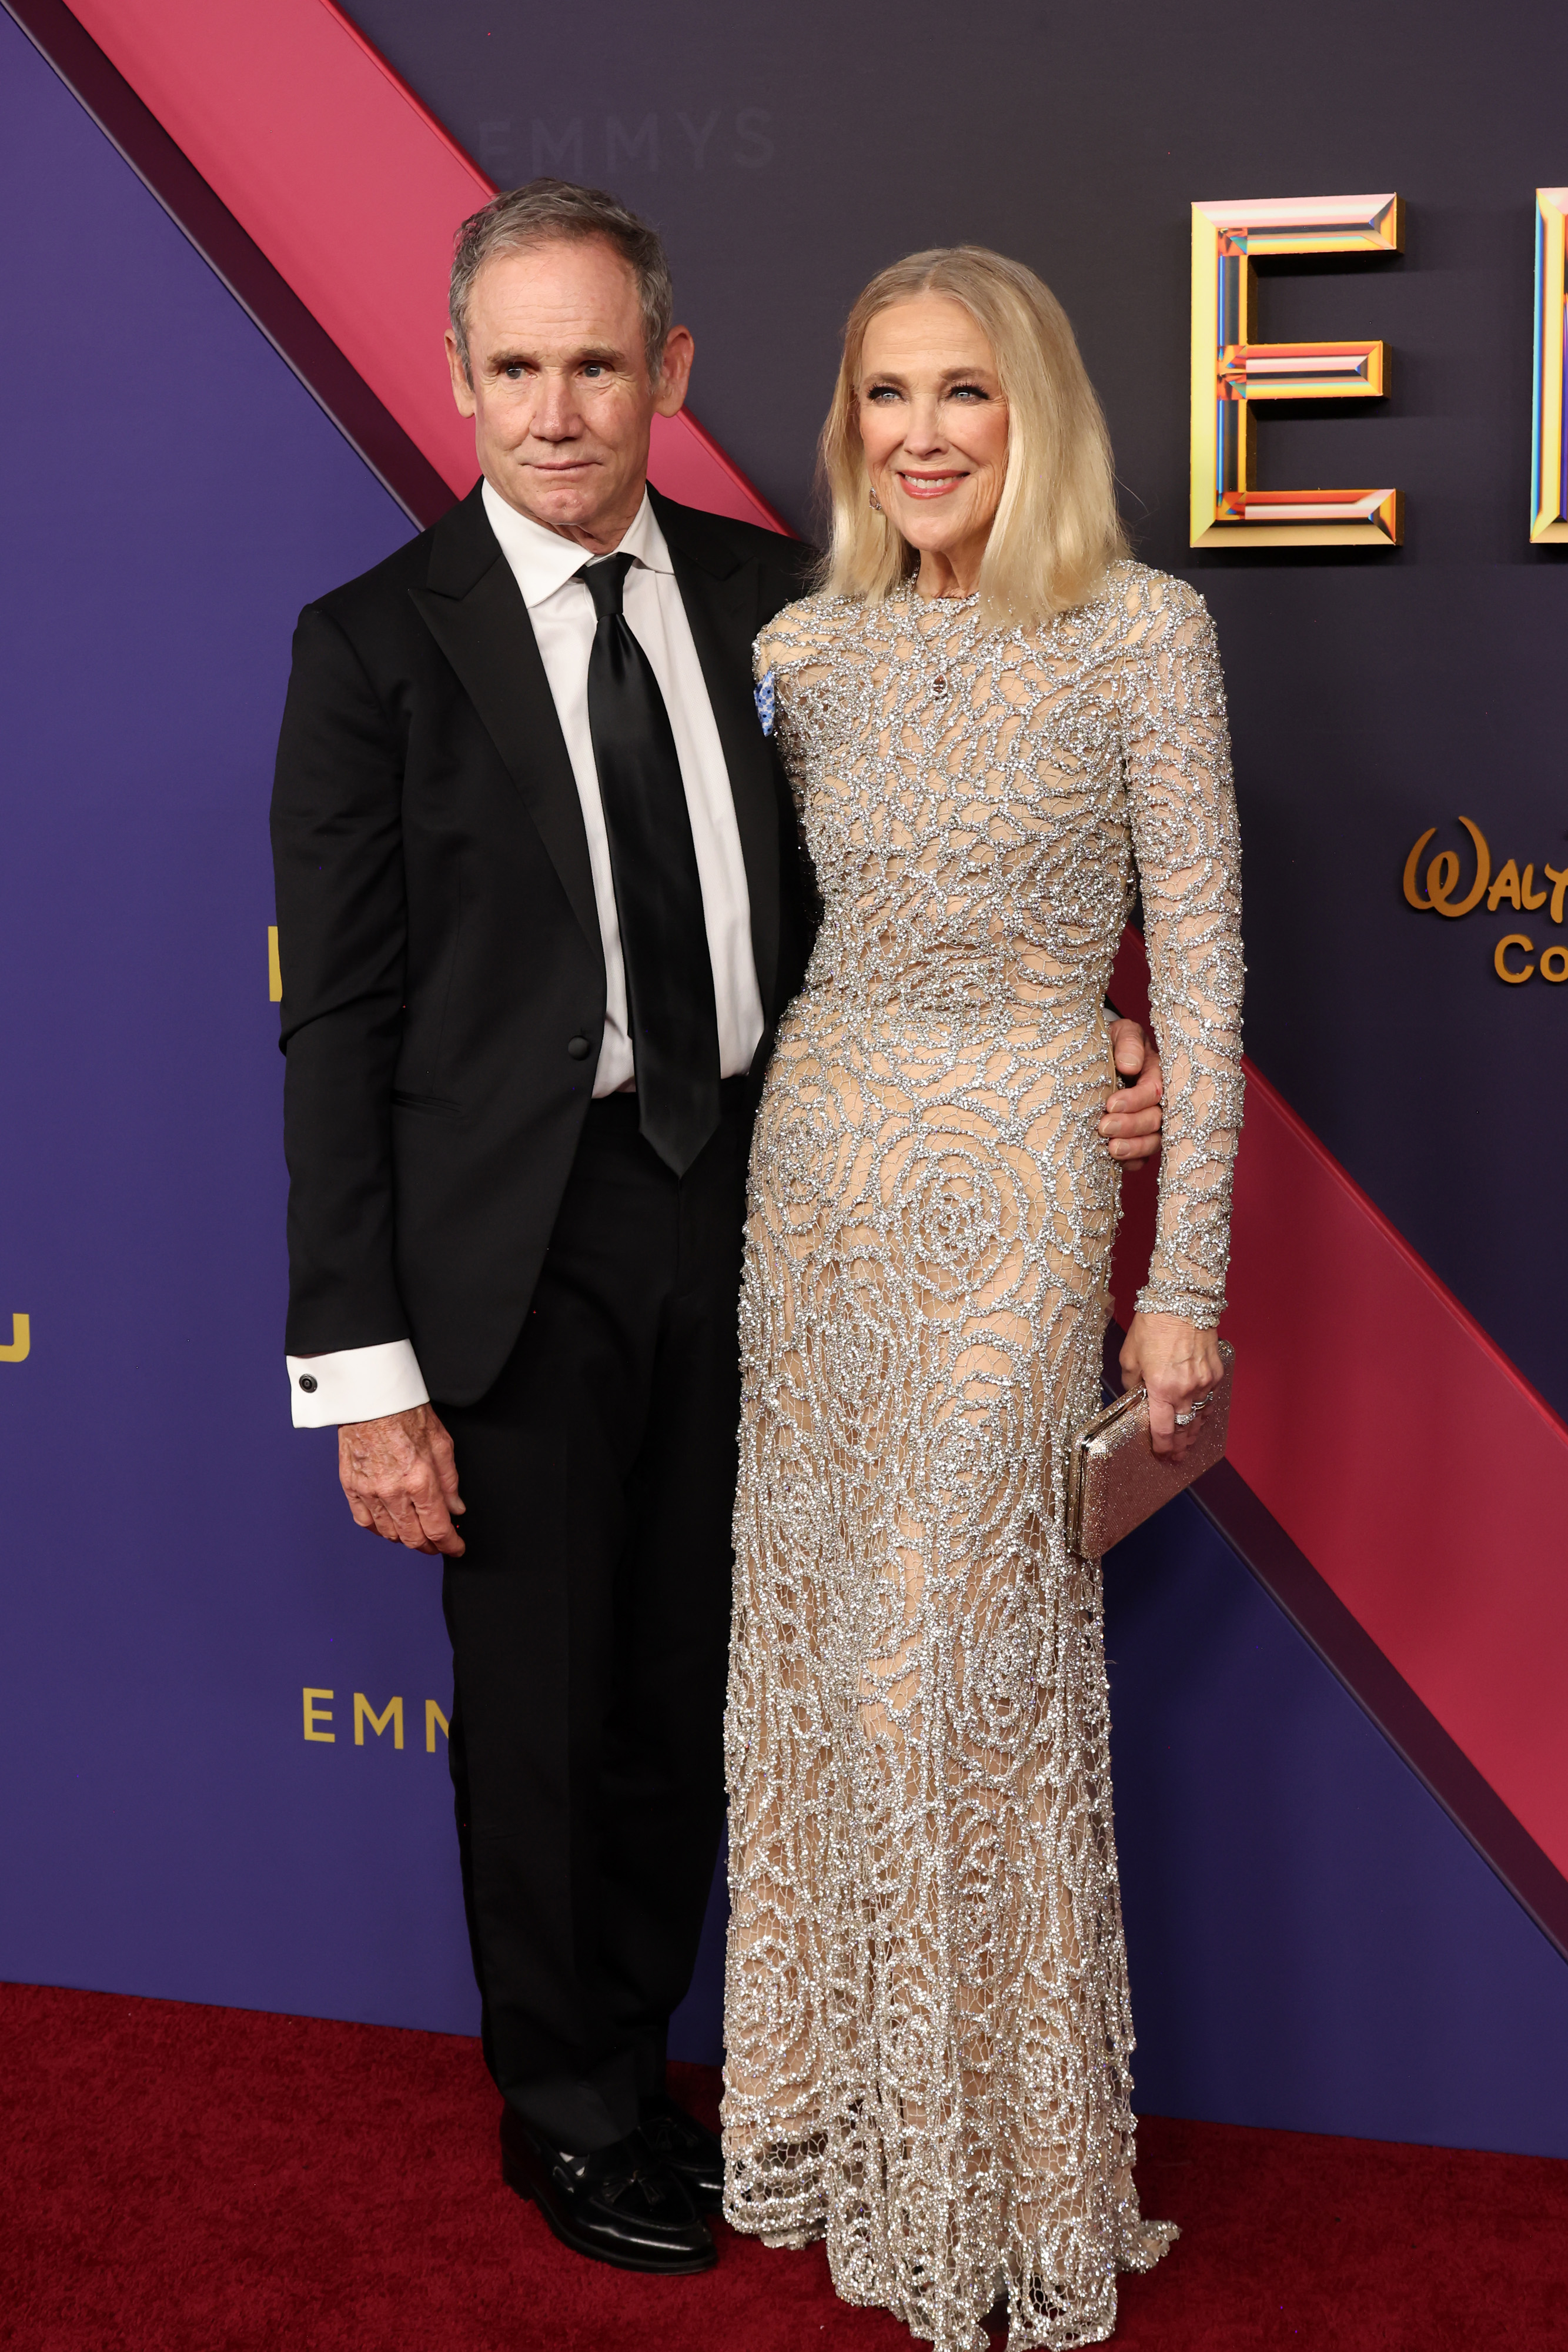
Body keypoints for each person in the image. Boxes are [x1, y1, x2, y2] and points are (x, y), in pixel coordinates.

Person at [270, 183, 1165, 2281]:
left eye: (598, 362)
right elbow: (337, 1032)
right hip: (512, 1254)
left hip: (774, 1213)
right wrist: (364, 1370)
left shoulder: (793, 607)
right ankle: (566, 2112)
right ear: (459, 375)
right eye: (516, 366)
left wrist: (1085, 1042)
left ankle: (658, 2073)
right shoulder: (371, 647)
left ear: (669, 372)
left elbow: (917, 900)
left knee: (699, 1688)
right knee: (545, 1710)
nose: (557, 408)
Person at [720, 245, 1243, 2352]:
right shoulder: (805, 652)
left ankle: (1003, 2183)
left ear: (1036, 415)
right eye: (882, 396)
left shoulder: (1142, 633)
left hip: (1024, 1192)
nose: (920, 435)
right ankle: (847, 2127)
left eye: (964, 394)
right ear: (846, 424)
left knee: (960, 1684)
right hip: (818, 1189)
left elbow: (1196, 976)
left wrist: (1178, 1273)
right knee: (830, 1675)